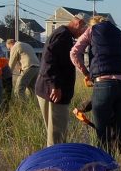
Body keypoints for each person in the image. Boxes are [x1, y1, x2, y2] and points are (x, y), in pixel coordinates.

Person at [70, 15, 121, 154]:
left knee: (102, 133)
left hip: (103, 84)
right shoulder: (119, 33)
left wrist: (86, 72)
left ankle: (105, 169)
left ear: (93, 23)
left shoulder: (92, 30)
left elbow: (74, 53)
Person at [35, 17, 87, 146]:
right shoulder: (62, 35)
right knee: (57, 137)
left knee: (55, 135)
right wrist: (55, 86)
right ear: (78, 23)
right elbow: (48, 60)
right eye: (84, 30)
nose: (84, 34)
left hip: (51, 90)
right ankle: (55, 165)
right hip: (53, 92)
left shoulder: (65, 36)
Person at [8, 37, 40, 102]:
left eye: (9, 48)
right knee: (32, 89)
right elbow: (25, 56)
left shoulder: (15, 47)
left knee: (18, 89)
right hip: (37, 67)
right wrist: (20, 66)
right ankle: (34, 105)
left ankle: (22, 107)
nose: (9, 50)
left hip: (28, 67)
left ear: (11, 44)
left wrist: (7, 73)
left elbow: (11, 63)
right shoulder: (26, 45)